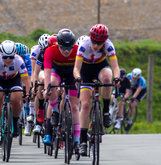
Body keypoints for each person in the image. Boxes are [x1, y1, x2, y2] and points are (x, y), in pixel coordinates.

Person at [73, 24, 120, 156]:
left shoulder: (109, 46)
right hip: (85, 70)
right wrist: (77, 78)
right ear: (90, 38)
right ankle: (82, 141)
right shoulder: (84, 45)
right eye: (94, 41)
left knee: (107, 78)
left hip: (100, 67)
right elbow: (76, 68)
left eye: (99, 43)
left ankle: (105, 111)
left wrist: (116, 78)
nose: (95, 46)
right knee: (86, 104)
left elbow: (115, 67)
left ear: (105, 41)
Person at [43, 28, 80, 152]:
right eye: (63, 48)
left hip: (72, 74)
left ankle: (76, 140)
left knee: (75, 107)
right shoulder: (50, 51)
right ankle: (54, 111)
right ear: (58, 45)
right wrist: (46, 89)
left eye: (69, 48)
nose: (66, 51)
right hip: (57, 71)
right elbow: (47, 74)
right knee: (52, 84)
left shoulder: (77, 50)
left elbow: (81, 70)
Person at [0, 40, 30, 146]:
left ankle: (15, 123)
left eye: (11, 57)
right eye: (5, 57)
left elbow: (25, 80)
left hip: (14, 79)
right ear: (0, 55)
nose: (8, 59)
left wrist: (27, 93)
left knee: (16, 99)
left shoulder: (19, 61)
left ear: (14, 55)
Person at [31, 33, 50, 135]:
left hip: (54, 71)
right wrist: (34, 85)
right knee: (41, 82)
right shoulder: (40, 53)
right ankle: (39, 113)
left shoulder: (56, 51)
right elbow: (35, 72)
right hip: (43, 70)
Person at [15, 42, 33, 136]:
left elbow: (28, 77)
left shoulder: (27, 59)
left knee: (26, 92)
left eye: (21, 56)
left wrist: (28, 89)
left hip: (23, 76)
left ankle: (25, 118)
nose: (19, 58)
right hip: (13, 76)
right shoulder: (10, 58)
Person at [126, 68, 147, 132]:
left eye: (136, 78)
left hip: (140, 91)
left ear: (139, 77)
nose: (134, 79)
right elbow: (127, 87)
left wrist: (133, 98)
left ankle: (130, 121)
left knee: (132, 105)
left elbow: (137, 92)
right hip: (132, 88)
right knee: (125, 97)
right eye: (133, 77)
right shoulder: (128, 76)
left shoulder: (142, 81)